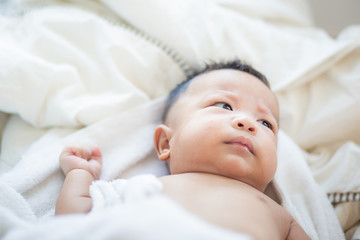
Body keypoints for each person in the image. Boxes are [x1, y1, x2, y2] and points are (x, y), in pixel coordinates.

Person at [55, 59, 310, 239]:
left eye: (266, 123)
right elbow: (75, 221)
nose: (248, 124)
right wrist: (80, 174)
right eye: (224, 106)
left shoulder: (280, 216)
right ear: (166, 143)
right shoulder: (143, 187)